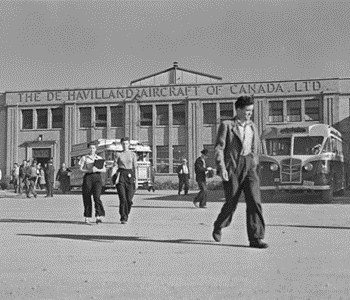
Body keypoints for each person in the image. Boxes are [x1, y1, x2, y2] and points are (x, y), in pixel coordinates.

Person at [212, 95, 268, 249]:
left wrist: (254, 163)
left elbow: (256, 147)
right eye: (247, 111)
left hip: (250, 165)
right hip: (233, 167)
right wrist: (222, 168)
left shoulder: (253, 126)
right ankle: (219, 224)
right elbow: (219, 148)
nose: (249, 114)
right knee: (231, 202)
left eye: (251, 111)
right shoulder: (227, 125)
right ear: (238, 109)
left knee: (254, 201)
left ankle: (256, 238)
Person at [78, 142, 106, 224]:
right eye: (90, 148)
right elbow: (80, 169)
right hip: (88, 177)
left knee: (97, 197)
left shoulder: (99, 158)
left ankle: (98, 215)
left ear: (96, 149)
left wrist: (97, 170)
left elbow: (104, 170)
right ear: (88, 149)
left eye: (93, 148)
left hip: (97, 177)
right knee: (87, 197)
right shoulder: (84, 158)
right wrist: (88, 170)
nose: (92, 149)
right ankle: (87, 216)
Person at [112, 137, 138, 224]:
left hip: (130, 175)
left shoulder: (133, 154)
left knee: (129, 199)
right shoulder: (118, 154)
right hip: (121, 175)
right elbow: (115, 166)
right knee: (123, 198)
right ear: (121, 144)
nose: (125, 145)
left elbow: (135, 167)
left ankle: (126, 212)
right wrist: (113, 176)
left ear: (129, 145)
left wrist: (136, 180)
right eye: (123, 144)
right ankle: (123, 217)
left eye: (126, 144)